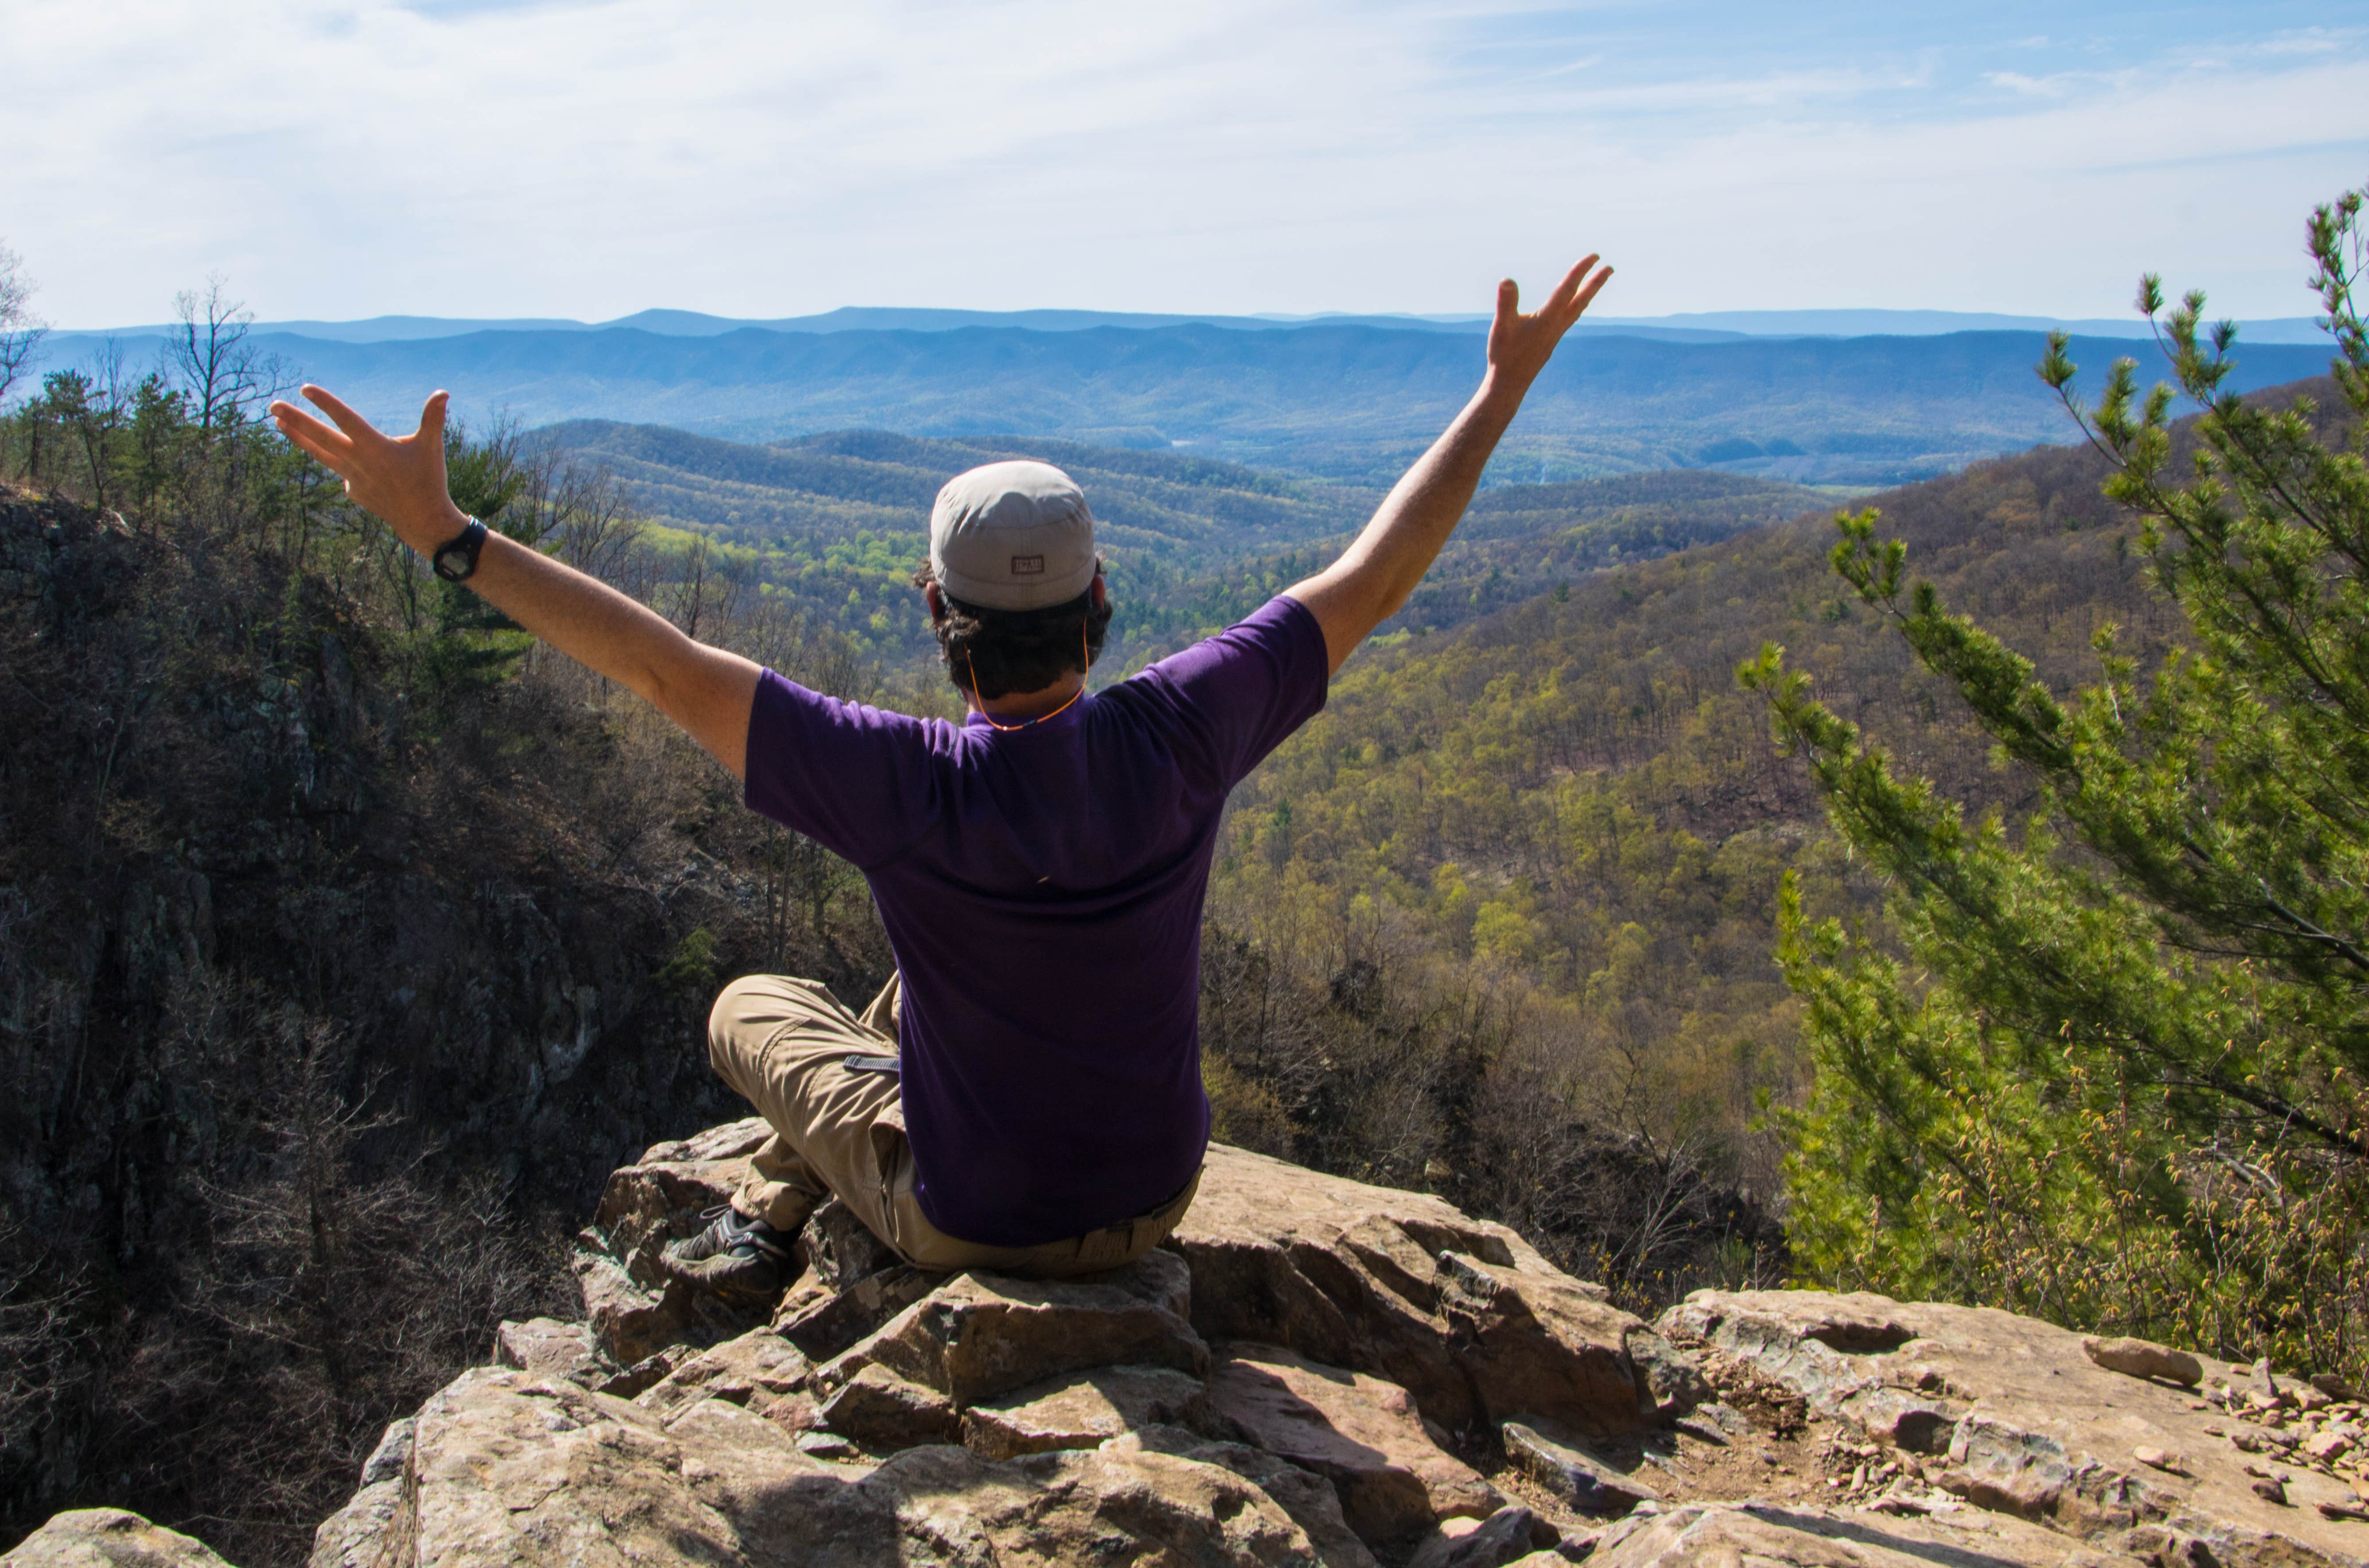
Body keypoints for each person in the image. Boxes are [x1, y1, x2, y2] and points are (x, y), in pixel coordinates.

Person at [268, 253, 1612, 1300]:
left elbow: (666, 667)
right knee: (921, 972)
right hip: (1160, 1196)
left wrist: (448, 536)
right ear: (1100, 605)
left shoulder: (904, 788)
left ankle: (779, 1208)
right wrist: (1500, 393)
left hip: (976, 1229)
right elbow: (1371, 581)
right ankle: (819, 1183)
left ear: (934, 613)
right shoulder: (1184, 732)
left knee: (754, 1003)